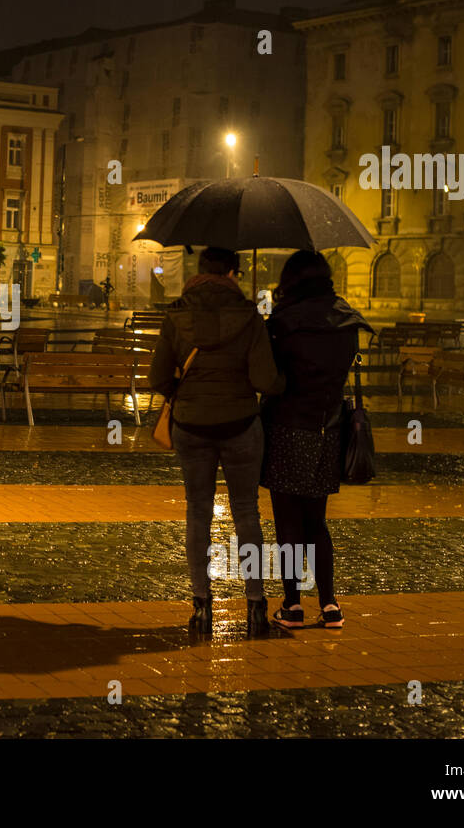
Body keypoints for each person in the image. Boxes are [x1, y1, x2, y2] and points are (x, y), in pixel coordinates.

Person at [149, 247, 282, 637]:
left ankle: (201, 604)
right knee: (246, 513)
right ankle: (255, 604)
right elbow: (265, 380)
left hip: (191, 426)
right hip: (241, 426)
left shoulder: (176, 314)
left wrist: (182, 391)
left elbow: (157, 377)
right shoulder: (249, 316)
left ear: (199, 271)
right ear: (233, 274)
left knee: (197, 512)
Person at [260, 250, 373, 630]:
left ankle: (292, 604)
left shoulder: (283, 323)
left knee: (288, 523)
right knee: (317, 522)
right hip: (329, 430)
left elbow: (269, 376)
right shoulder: (345, 320)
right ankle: (330, 605)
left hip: (287, 430)